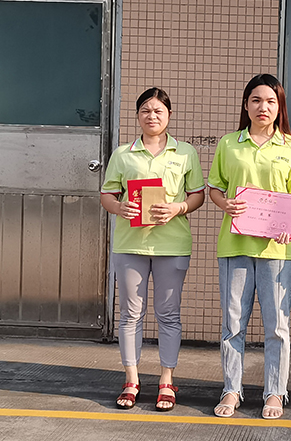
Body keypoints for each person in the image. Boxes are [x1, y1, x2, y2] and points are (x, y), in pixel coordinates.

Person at [208, 73, 291, 420]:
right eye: (256, 100)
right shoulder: (229, 144)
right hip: (234, 245)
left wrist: (288, 227)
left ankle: (275, 393)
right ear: (246, 104)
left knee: (277, 326)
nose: (263, 107)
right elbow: (215, 187)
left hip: (276, 251)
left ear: (280, 107)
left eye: (270, 101)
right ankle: (231, 389)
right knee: (233, 323)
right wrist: (224, 204)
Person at [99, 87, 206, 411]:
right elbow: (107, 195)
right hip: (130, 245)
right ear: (137, 115)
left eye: (158, 110)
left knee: (168, 314)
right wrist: (119, 208)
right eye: (146, 110)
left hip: (172, 245)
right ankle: (131, 379)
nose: (152, 116)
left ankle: (166, 380)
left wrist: (178, 208)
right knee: (130, 313)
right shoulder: (123, 154)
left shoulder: (185, 152)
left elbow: (197, 195)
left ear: (169, 115)